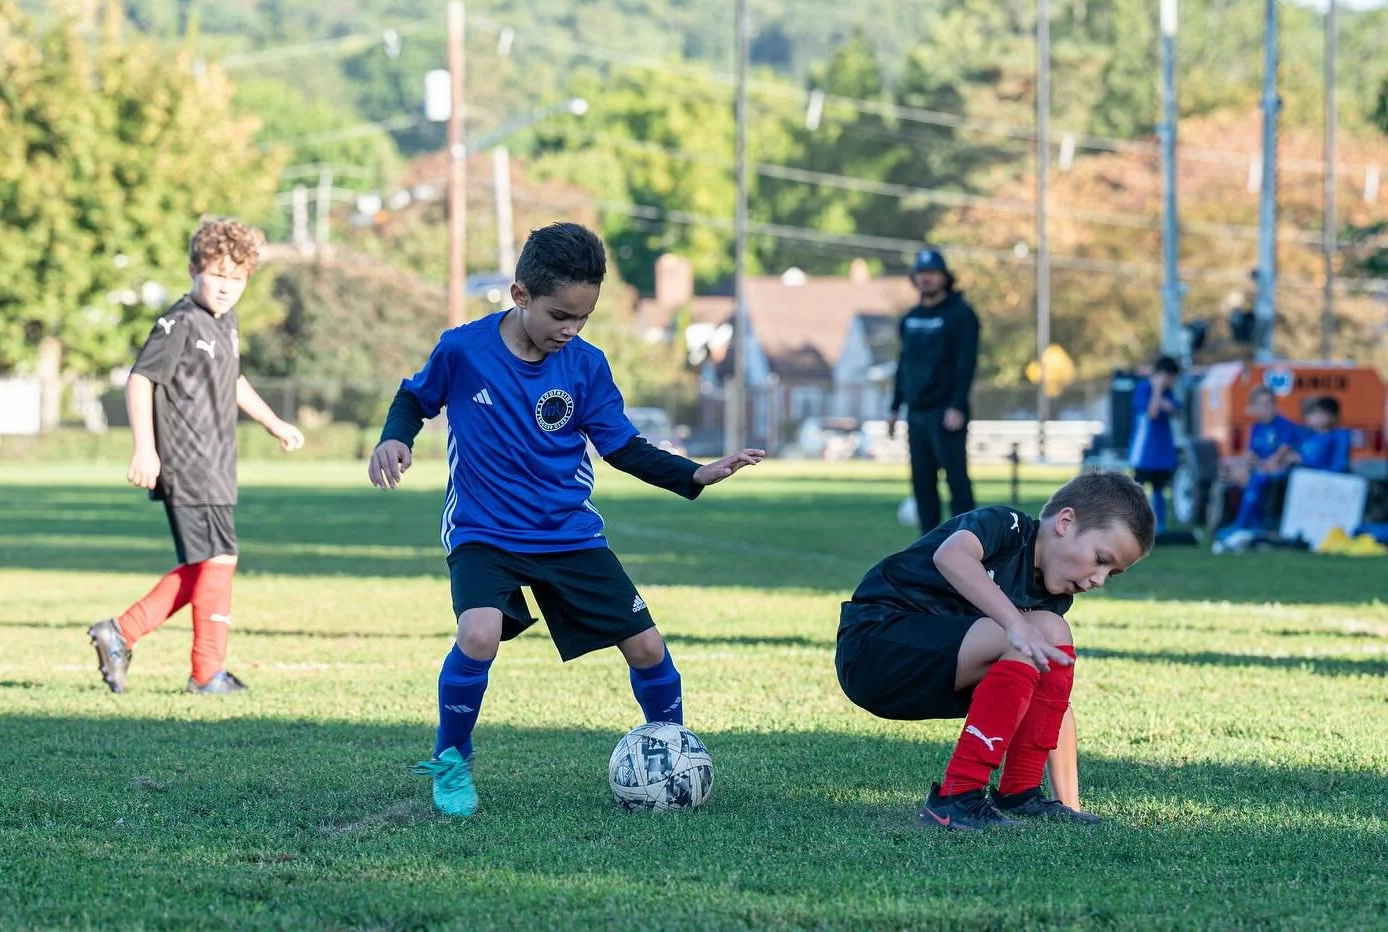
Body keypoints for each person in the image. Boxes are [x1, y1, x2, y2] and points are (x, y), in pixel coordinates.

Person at [368, 222, 763, 818]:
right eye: (560, 316)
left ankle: (675, 754)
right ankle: (452, 762)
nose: (570, 330)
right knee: (477, 634)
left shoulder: (586, 366)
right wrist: (394, 440)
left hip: (567, 533)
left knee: (649, 648)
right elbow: (412, 399)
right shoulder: (463, 349)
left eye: (583, 318)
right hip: (485, 532)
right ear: (519, 294)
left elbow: (622, 447)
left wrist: (692, 474)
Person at [835, 469, 1155, 830]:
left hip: (935, 673)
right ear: (1065, 522)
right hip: (874, 649)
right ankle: (957, 798)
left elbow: (1053, 703)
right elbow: (951, 556)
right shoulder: (1007, 525)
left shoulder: (1052, 597)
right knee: (1034, 636)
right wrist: (1015, 624)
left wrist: (1070, 806)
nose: (1099, 580)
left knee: (1052, 631)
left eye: (1112, 573)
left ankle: (1021, 793)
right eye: (1101, 558)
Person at [87, 218, 304, 695]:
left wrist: (274, 423)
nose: (227, 288)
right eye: (218, 274)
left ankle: (119, 634)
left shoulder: (225, 322)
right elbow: (141, 378)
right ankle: (206, 674)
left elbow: (233, 380)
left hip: (217, 461)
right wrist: (145, 448)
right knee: (220, 559)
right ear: (193, 269)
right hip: (188, 461)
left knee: (208, 564)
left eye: (238, 278)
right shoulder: (179, 321)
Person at [888, 248, 980, 531]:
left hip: (946, 412)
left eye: (932, 273)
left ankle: (970, 542)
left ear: (944, 277)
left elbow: (966, 364)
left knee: (956, 482)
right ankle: (929, 549)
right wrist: (894, 406)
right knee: (922, 483)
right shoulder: (910, 318)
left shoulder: (961, 315)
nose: (926, 278)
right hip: (916, 413)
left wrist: (956, 405)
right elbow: (904, 365)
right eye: (922, 273)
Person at [1216, 386, 1305, 540]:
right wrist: (1238, 464)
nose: (1265, 408)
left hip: (1281, 469)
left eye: (1268, 403)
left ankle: (1243, 524)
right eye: (1261, 404)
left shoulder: (1283, 424)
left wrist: (1262, 465)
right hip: (1262, 467)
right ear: (1253, 407)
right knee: (1232, 472)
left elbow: (1282, 453)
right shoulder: (1256, 427)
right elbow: (1251, 453)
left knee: (1255, 479)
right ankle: (1251, 523)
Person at [1128, 356, 1182, 533]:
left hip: (1162, 450)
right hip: (1144, 450)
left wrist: (1169, 405)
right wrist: (1157, 390)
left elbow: (1177, 411)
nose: (1173, 382)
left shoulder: (1169, 392)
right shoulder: (1144, 388)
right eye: (1171, 378)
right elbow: (1151, 412)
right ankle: (1136, 524)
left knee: (1160, 488)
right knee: (1139, 489)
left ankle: (1159, 526)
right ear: (1163, 375)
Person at [1296, 396, 1351, 473]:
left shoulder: (1340, 435)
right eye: (1311, 413)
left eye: (1320, 413)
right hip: (1302, 477)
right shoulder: (1304, 434)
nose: (1315, 417)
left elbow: (1339, 466)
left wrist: (1303, 461)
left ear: (1333, 416)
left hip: (1327, 479)